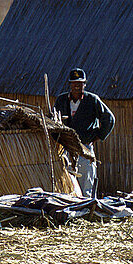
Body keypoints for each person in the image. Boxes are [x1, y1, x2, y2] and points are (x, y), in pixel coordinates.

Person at [54, 68, 115, 197]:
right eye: (74, 83)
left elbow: (109, 119)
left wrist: (98, 136)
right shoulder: (61, 100)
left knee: (86, 183)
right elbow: (53, 120)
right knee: (66, 183)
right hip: (65, 150)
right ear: (70, 84)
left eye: (80, 83)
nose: (77, 86)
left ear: (84, 84)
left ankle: (87, 212)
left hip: (84, 149)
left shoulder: (92, 100)